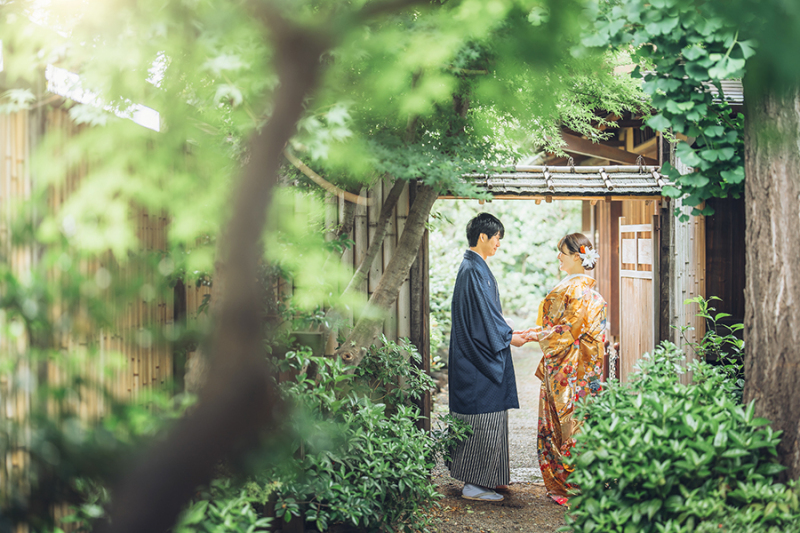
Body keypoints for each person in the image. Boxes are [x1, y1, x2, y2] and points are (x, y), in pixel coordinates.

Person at [516, 233, 607, 506]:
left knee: (564, 425)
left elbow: (564, 332)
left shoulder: (574, 290)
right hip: (585, 368)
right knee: (579, 422)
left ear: (578, 257)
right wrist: (537, 332)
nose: (558, 257)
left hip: (567, 368)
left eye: (563, 253)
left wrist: (533, 336)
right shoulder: (588, 291)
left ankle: (568, 485)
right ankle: (583, 481)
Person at [447, 212, 527, 502]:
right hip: (477, 359)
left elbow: (487, 316)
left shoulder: (475, 267)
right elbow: (484, 319)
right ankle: (474, 485)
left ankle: (489, 479)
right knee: (482, 417)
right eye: (497, 238)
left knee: (490, 418)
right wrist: (509, 337)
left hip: (478, 352)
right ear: (483, 237)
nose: (498, 244)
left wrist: (511, 333)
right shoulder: (472, 270)